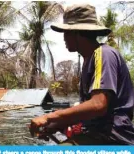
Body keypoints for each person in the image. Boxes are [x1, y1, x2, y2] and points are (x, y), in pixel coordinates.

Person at [29, 4, 134, 145]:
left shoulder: (104, 54)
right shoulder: (89, 61)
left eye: (66, 33)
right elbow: (88, 111)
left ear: (77, 33)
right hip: (96, 134)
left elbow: (98, 105)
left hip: (112, 137)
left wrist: (51, 117)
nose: (64, 38)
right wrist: (57, 124)